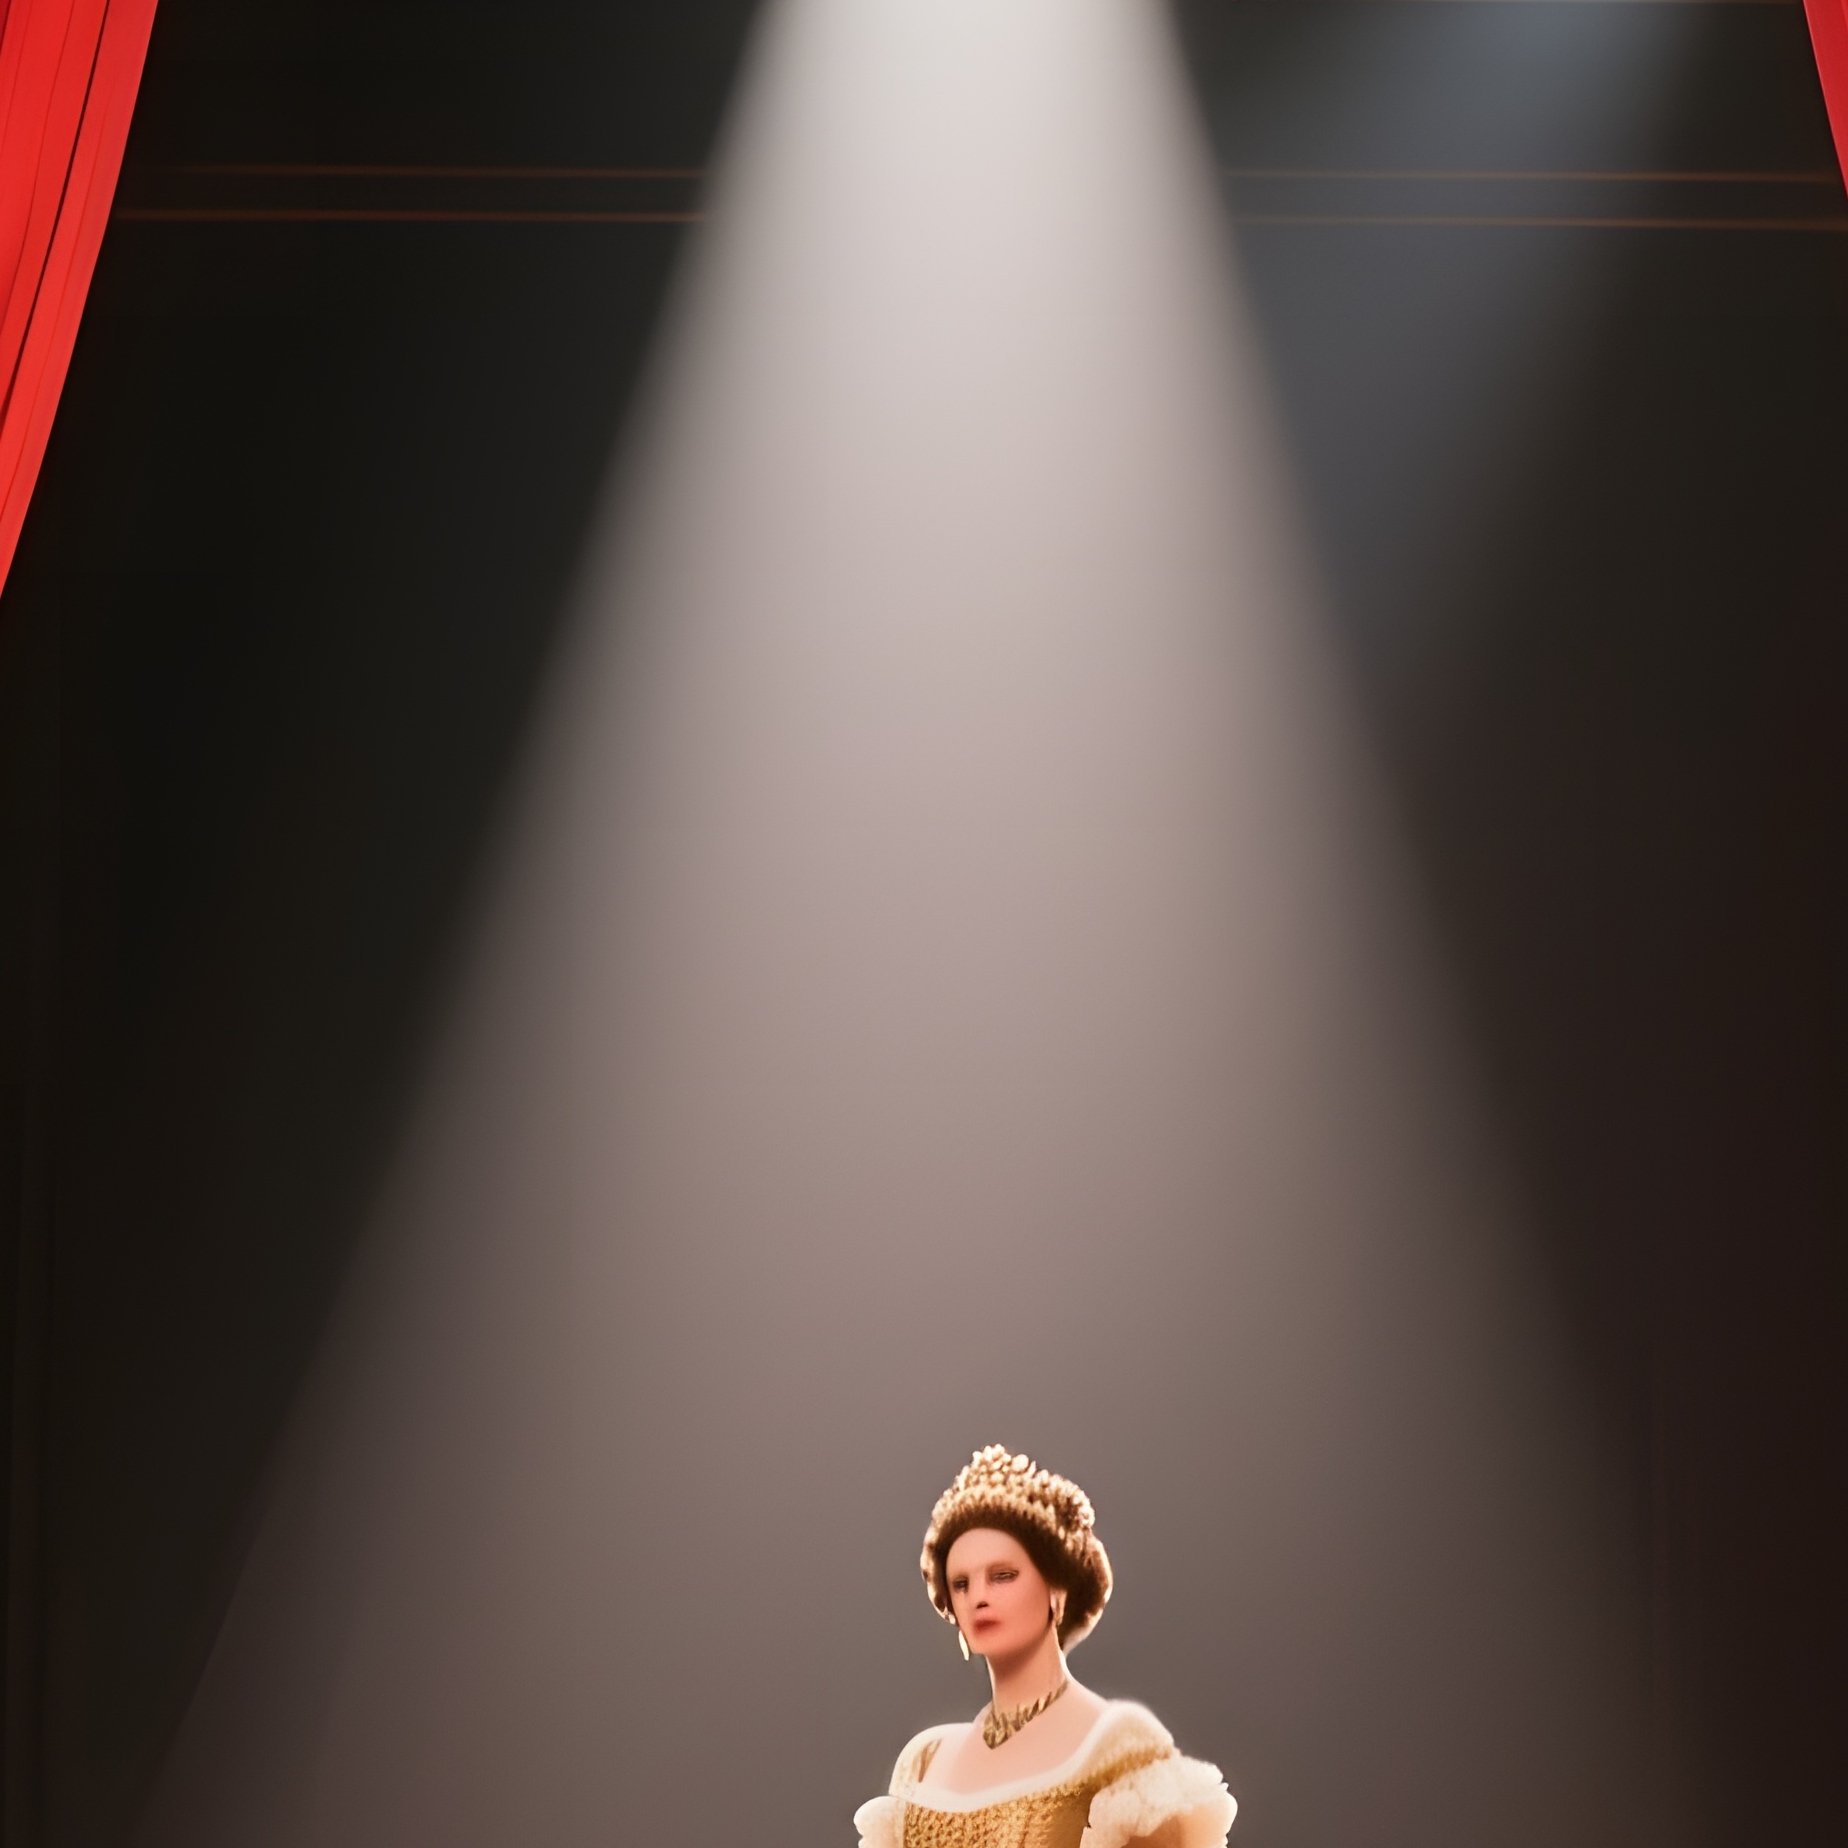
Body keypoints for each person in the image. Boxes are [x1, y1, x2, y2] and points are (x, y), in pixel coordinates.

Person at [855, 1445, 1237, 1848]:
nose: (978, 1597)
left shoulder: (1116, 1745)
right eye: (961, 1584)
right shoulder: (925, 1761)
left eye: (1003, 1575)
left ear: (1056, 1588)